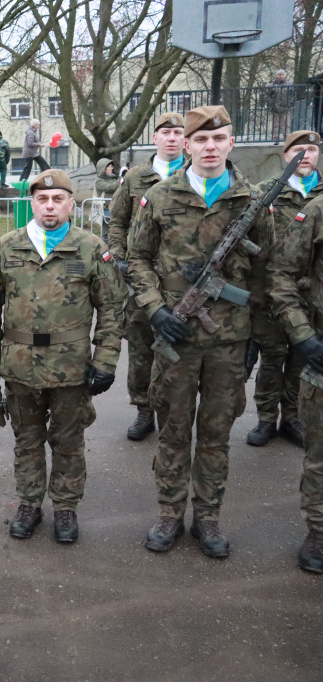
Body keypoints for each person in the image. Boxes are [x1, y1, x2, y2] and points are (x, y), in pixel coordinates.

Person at [129, 106, 274, 558]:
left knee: (215, 435)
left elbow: (265, 274)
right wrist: (154, 311)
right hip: (176, 338)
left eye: (219, 139)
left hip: (228, 343)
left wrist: (257, 341)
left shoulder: (253, 202)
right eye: (201, 140)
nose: (210, 147)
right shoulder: (160, 197)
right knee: (173, 429)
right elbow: (137, 260)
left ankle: (207, 517)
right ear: (187, 145)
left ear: (231, 144)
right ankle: (170, 514)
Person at [0, 169, 125, 543]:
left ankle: (65, 508)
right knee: (26, 438)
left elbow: (111, 309)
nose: (50, 206)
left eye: (58, 199)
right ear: (32, 203)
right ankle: (28, 504)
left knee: (69, 439)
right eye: (42, 199)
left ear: (71, 203)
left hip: (71, 368)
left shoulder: (91, 248)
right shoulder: (7, 247)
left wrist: (105, 361)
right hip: (19, 366)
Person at [107, 112, 186, 442]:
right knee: (140, 349)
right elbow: (117, 222)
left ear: (185, 138)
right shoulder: (137, 176)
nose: (171, 137)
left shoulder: (195, 175)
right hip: (140, 279)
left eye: (177, 132)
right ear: (155, 138)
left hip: (181, 281)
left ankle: (174, 409)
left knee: (178, 348)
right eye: (165, 132)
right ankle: (143, 410)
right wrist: (119, 258)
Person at [246, 130, 321, 449]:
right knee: (272, 357)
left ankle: (292, 417)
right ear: (286, 155)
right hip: (270, 294)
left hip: (312, 296)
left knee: (303, 358)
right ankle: (265, 418)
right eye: (298, 150)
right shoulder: (266, 193)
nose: (306, 155)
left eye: (312, 150)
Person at [267, 161, 323, 574]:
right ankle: (319, 531)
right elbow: (282, 275)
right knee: (320, 456)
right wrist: (303, 335)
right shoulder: (317, 212)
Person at [91, 158, 118, 235]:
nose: (111, 168)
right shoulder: (99, 181)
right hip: (105, 209)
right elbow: (111, 188)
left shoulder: (113, 179)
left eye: (111, 166)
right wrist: (121, 178)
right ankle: (105, 244)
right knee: (107, 232)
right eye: (109, 166)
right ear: (103, 168)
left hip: (115, 208)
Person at [267, 70, 293, 143]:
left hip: (286, 108)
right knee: (276, 125)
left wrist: (289, 105)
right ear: (276, 76)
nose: (281, 76)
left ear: (284, 75)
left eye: (282, 74)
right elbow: (268, 96)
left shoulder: (290, 84)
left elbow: (292, 96)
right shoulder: (271, 85)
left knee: (286, 125)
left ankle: (287, 139)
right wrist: (272, 105)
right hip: (275, 108)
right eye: (279, 75)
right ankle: (276, 139)